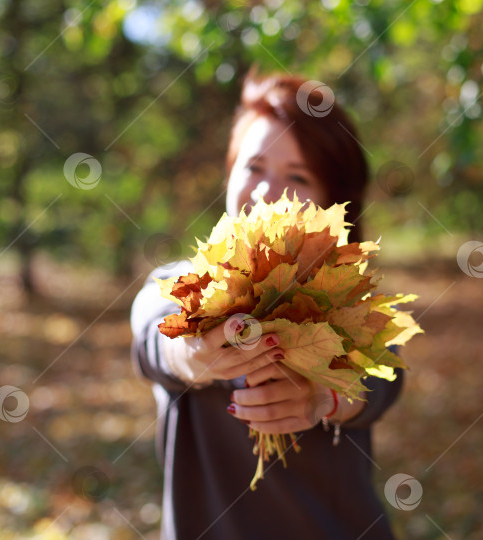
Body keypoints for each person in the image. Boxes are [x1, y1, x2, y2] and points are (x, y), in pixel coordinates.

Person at [130, 71, 404, 540]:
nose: (266, 192)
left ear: (333, 203)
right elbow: (153, 343)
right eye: (254, 167)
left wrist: (325, 396)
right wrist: (195, 355)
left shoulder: (345, 297)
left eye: (297, 176)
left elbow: (384, 378)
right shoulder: (180, 284)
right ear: (230, 174)